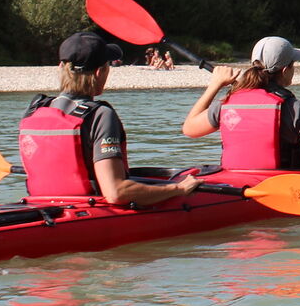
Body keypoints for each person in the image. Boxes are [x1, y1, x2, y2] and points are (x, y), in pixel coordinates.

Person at [21, 31, 202, 206]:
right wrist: (178, 188)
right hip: (90, 211)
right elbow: (116, 192)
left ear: (61, 67)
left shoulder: (36, 108)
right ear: (100, 72)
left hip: (40, 205)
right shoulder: (100, 115)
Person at [182, 36, 300, 176]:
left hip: (236, 182)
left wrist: (215, 85)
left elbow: (189, 129)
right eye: (294, 65)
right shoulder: (294, 108)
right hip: (283, 185)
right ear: (285, 70)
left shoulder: (225, 104)